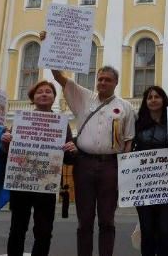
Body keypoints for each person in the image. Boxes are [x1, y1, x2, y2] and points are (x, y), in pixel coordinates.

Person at [52, 65, 135, 256]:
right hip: (84, 164)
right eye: (100, 79)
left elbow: (128, 141)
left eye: (107, 79)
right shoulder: (84, 97)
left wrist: (125, 172)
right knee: (85, 220)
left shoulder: (126, 107)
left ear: (116, 82)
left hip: (111, 166)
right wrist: (51, 50)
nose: (103, 82)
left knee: (107, 220)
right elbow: (59, 77)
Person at [0, 80, 76, 256]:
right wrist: (5, 143)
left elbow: (69, 159)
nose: (44, 94)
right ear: (33, 98)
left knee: (43, 231)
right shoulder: (21, 120)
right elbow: (7, 154)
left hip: (46, 185)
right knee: (17, 229)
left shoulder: (61, 124)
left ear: (53, 98)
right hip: (21, 183)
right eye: (39, 92)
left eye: (48, 92)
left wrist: (72, 149)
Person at [133, 86, 168, 256]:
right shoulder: (137, 124)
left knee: (165, 231)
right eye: (149, 97)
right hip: (143, 186)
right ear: (145, 102)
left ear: (163, 99)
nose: (153, 100)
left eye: (157, 96)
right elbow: (129, 149)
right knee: (147, 231)